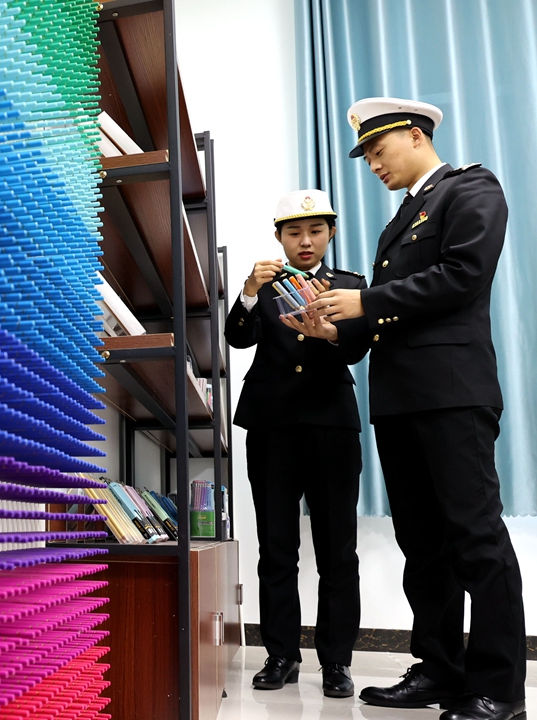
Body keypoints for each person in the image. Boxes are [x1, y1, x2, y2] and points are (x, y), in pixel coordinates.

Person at [287, 97, 525, 720]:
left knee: (475, 538)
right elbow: (388, 320)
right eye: (364, 156)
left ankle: (499, 689)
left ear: (414, 135)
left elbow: (463, 274)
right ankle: (441, 670)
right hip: (398, 402)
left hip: (452, 393)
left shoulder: (471, 188)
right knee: (424, 547)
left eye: (376, 150)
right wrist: (333, 331)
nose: (371, 164)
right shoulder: (401, 221)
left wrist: (364, 304)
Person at [225, 190, 369, 699]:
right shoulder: (263, 287)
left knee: (338, 551)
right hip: (272, 424)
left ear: (330, 233)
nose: (304, 241)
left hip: (331, 423)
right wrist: (244, 292)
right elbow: (237, 338)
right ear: (279, 238)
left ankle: (336, 662)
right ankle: (281, 654)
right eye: (293, 232)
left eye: (314, 231)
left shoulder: (350, 286)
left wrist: (331, 332)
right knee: (276, 546)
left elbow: (359, 346)